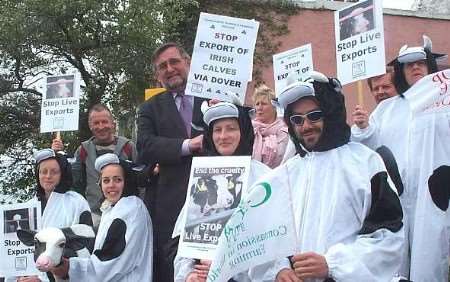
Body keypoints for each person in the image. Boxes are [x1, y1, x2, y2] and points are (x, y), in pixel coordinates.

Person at [256, 71, 404, 281]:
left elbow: (389, 235)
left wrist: (333, 265)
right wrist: (279, 268)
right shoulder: (285, 174)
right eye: (297, 120)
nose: (305, 126)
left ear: (329, 113)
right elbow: (266, 235)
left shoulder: (365, 163)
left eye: (314, 115)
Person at [351, 35, 445, 278]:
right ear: (400, 71)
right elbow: (370, 147)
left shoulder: (446, 103)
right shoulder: (387, 108)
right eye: (408, 64)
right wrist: (362, 128)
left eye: (420, 62)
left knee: (431, 254)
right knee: (398, 256)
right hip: (399, 197)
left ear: (430, 66)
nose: (415, 67)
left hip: (434, 194)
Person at [173, 101, 270, 282]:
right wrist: (189, 274)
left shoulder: (264, 177)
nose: (223, 136)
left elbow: (272, 239)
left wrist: (228, 266)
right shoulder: (201, 178)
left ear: (244, 131)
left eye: (231, 128)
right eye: (217, 130)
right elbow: (184, 242)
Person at [137, 42, 207, 281]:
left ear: (187, 62)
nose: (169, 69)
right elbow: (145, 146)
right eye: (162, 66)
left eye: (174, 62)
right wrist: (188, 146)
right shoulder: (149, 109)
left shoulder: (214, 98)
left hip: (214, 199)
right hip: (171, 205)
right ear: (158, 75)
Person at [50, 153, 153, 282]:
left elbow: (111, 261)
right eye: (106, 180)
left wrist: (70, 268)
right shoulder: (112, 209)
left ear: (127, 181)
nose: (111, 185)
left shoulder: (130, 208)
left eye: (117, 180)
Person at [52, 103, 137, 228]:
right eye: (96, 123)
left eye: (105, 122)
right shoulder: (82, 151)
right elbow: (71, 181)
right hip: (95, 216)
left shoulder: (128, 147)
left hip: (127, 214)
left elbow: (141, 181)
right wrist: (57, 155)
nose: (101, 126)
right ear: (90, 126)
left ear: (113, 123)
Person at [14, 149, 92, 282]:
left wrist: (45, 278)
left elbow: (85, 242)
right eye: (43, 171)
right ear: (37, 174)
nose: (48, 176)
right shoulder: (28, 206)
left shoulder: (76, 202)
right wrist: (23, 276)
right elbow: (17, 249)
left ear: (62, 174)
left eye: (54, 172)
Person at [251, 85, 289, 168]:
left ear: (274, 107)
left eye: (264, 104)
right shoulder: (249, 129)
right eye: (257, 104)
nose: (259, 108)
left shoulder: (285, 131)